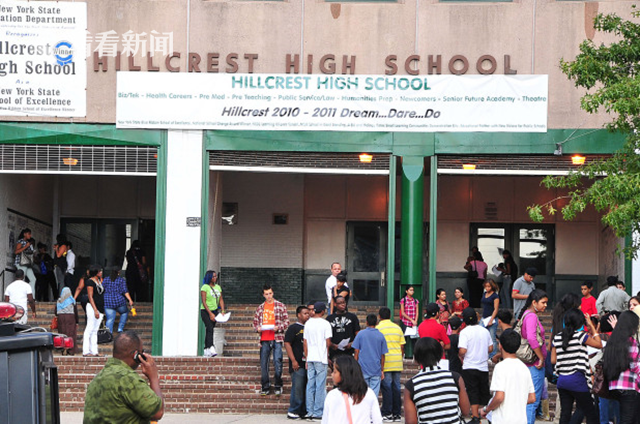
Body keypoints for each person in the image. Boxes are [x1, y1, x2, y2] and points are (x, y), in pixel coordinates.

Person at [83, 331, 164, 423]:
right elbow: (157, 412)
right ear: (136, 355)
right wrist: (153, 378)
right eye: (142, 352)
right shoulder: (128, 379)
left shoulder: (97, 379)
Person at [550, 308, 602, 424]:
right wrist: (591, 325)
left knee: (565, 413)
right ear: (580, 322)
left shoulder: (557, 337)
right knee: (591, 413)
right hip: (577, 379)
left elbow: (553, 360)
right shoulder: (580, 336)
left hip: (562, 380)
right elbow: (599, 344)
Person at [404, 337, 470, 424]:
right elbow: (465, 411)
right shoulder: (455, 378)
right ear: (440, 354)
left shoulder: (411, 385)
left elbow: (411, 421)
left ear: (416, 358)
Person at [480, 329, 535, 424]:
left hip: (503, 420)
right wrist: (516, 401)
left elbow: (499, 397)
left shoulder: (500, 367)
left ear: (500, 345)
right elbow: (532, 398)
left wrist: (486, 409)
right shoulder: (524, 368)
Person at [321, 355, 383, 424]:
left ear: (344, 374)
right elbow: (377, 420)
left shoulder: (332, 395)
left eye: (335, 372)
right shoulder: (368, 393)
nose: (332, 374)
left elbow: (325, 421)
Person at [603, 310, 640, 424]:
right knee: (628, 419)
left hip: (614, 385)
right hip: (629, 386)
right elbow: (635, 365)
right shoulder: (631, 342)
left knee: (622, 418)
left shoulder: (612, 341)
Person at [517, 289, 548, 424]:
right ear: (534, 302)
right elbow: (531, 338)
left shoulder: (527, 314)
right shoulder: (531, 316)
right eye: (543, 302)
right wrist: (540, 357)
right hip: (534, 365)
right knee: (532, 401)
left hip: (528, 365)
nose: (545, 305)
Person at [458, 307, 493, 424]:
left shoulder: (464, 332)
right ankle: (487, 415)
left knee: (473, 391)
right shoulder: (485, 331)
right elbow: (490, 348)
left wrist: (460, 355)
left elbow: (463, 350)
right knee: (484, 391)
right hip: (483, 366)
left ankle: (475, 417)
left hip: (469, 366)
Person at [253, 284, 289, 396]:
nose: (269, 296)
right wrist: (258, 329)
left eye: (270, 293)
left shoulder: (280, 306)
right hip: (264, 338)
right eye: (266, 294)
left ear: (273, 293)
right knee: (264, 363)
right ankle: (265, 386)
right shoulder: (260, 308)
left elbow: (287, 321)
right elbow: (255, 323)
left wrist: (279, 327)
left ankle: (278, 384)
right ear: (263, 295)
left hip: (276, 337)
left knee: (277, 361)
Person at [304, 301, 333, 420]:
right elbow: (328, 342)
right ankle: (318, 412)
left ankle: (309, 411)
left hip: (310, 357)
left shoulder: (308, 323)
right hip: (321, 357)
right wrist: (327, 354)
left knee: (310, 384)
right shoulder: (325, 324)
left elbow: (305, 342)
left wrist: (306, 358)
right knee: (320, 385)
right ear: (322, 311)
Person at [376, 307, 405, 422]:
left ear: (379, 316)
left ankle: (387, 413)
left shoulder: (378, 329)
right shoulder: (397, 328)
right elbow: (402, 346)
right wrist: (399, 357)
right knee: (396, 387)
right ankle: (397, 414)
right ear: (390, 316)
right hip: (397, 361)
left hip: (386, 362)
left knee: (387, 388)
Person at [284, 305, 310, 420]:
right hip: (298, 363)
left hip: (308, 363)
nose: (308, 315)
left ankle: (303, 410)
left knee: (306, 387)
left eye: (308, 313)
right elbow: (287, 343)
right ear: (299, 315)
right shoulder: (293, 328)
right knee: (298, 387)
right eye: (305, 313)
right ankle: (293, 410)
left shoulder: (310, 327)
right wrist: (293, 360)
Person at [353, 314, 388, 396]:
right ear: (377, 323)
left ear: (366, 322)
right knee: (374, 394)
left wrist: (355, 367)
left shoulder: (360, 334)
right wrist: (382, 369)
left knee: (363, 393)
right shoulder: (381, 336)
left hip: (363, 368)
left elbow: (356, 352)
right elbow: (383, 355)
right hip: (376, 369)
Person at [326, 296, 360, 360]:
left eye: (344, 302)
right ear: (335, 304)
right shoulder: (329, 319)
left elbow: (358, 334)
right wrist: (332, 345)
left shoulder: (352, 317)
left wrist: (352, 344)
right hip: (335, 352)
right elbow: (326, 337)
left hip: (349, 352)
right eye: (340, 303)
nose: (343, 305)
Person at [200, 270, 224, 358]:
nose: (215, 278)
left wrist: (223, 310)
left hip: (215, 310)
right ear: (209, 277)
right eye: (213, 276)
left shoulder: (218, 287)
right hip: (206, 311)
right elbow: (204, 301)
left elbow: (220, 299)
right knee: (210, 327)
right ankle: (211, 347)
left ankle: (206, 348)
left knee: (209, 329)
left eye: (216, 276)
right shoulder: (205, 287)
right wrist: (210, 314)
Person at [103, 267, 134, 334]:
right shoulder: (121, 280)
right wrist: (130, 300)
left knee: (110, 319)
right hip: (119, 301)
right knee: (124, 312)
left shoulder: (106, 279)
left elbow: (102, 289)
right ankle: (120, 328)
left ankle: (108, 334)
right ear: (118, 272)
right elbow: (125, 291)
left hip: (108, 301)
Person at [83, 265, 105, 357]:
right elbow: (90, 296)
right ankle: (86, 351)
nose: (101, 272)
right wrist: (95, 310)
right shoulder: (90, 282)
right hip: (92, 307)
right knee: (89, 328)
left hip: (100, 307)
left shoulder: (99, 281)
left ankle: (94, 351)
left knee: (95, 330)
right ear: (95, 272)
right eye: (99, 271)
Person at [55, 286, 79, 355]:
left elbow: (55, 312)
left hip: (61, 318)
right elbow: (75, 311)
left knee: (62, 332)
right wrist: (77, 321)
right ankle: (70, 350)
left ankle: (63, 348)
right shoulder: (72, 300)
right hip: (70, 317)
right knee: (71, 333)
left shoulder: (59, 300)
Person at [480, 280, 500, 357]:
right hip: (484, 317)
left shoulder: (495, 296)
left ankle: (492, 356)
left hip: (491, 318)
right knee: (481, 334)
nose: (487, 288)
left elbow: (496, 309)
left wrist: (491, 319)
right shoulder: (485, 294)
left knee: (492, 338)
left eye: (489, 286)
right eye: (486, 287)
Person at [14, 228, 36, 293]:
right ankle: (21, 295)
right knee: (21, 280)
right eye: (29, 234)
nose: (30, 235)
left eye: (30, 234)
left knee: (33, 279)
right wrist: (25, 247)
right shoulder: (20, 241)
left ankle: (31, 296)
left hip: (27, 263)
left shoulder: (28, 243)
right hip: (21, 263)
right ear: (24, 234)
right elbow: (16, 252)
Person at [400, 286, 419, 355]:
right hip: (406, 322)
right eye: (410, 290)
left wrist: (415, 321)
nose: (412, 292)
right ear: (406, 291)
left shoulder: (415, 301)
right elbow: (403, 313)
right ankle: (404, 353)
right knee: (404, 339)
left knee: (414, 339)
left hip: (413, 323)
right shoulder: (403, 300)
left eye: (412, 290)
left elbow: (417, 312)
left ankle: (414, 354)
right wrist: (411, 320)